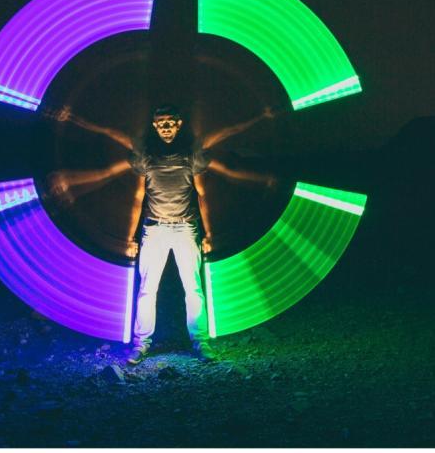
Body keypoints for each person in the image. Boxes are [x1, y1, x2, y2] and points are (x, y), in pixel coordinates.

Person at [46, 103, 274, 364]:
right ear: (155, 126)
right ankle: (141, 344)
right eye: (160, 122)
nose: (165, 126)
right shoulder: (147, 158)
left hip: (186, 228)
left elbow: (201, 195)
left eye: (170, 122)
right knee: (146, 290)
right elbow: (138, 195)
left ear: (179, 124)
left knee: (193, 289)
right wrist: (131, 237)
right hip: (154, 229)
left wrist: (207, 234)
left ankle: (200, 343)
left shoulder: (190, 157)